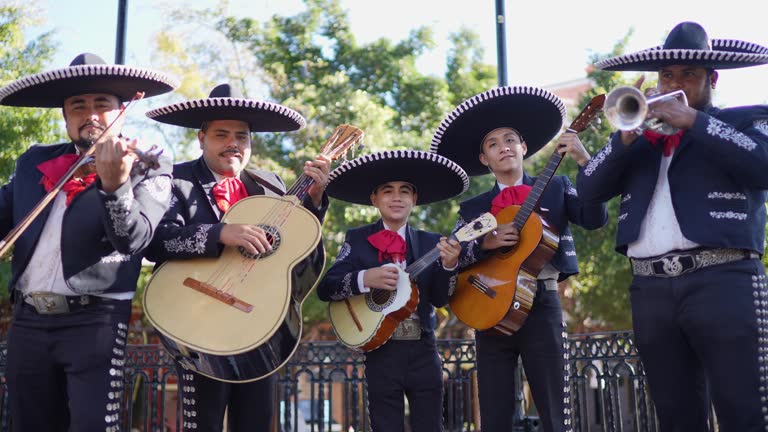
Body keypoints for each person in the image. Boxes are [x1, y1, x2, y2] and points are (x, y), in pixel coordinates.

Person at [577, 21, 768, 431]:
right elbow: (588, 188)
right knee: (676, 416)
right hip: (651, 289)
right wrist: (624, 138)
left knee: (743, 411)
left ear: (711, 80)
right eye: (667, 75)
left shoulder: (746, 119)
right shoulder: (638, 137)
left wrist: (693, 121)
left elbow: (763, 166)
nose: (674, 83)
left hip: (724, 280)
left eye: (688, 75)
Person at [0, 53, 177, 431]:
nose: (91, 115)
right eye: (78, 106)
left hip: (95, 320)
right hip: (28, 321)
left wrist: (115, 187)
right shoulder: (33, 162)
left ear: (121, 113)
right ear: (65, 116)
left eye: (102, 105)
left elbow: (134, 239)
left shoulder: (150, 166)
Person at [144, 83, 329, 431]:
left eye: (242, 136)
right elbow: (156, 241)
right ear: (202, 138)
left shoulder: (271, 184)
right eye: (222, 134)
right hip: (195, 323)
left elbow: (292, 246)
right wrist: (220, 234)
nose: (233, 143)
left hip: (257, 326)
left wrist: (315, 203)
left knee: (256, 422)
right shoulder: (174, 180)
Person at [430, 86, 608, 432]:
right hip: (489, 303)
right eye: (493, 144)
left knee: (555, 408)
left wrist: (586, 162)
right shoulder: (472, 209)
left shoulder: (557, 187)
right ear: (484, 158)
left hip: (541, 302)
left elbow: (594, 219)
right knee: (495, 413)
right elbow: (453, 255)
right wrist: (486, 243)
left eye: (510, 139)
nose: (504, 147)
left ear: (524, 147)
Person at [316, 149, 468, 432]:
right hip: (381, 351)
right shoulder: (358, 239)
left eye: (405, 191)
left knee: (431, 426)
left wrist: (449, 266)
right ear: (375, 199)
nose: (397, 197)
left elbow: (439, 298)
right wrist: (365, 278)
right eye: (388, 191)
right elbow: (327, 288)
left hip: (423, 348)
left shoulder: (432, 242)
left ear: (414, 199)